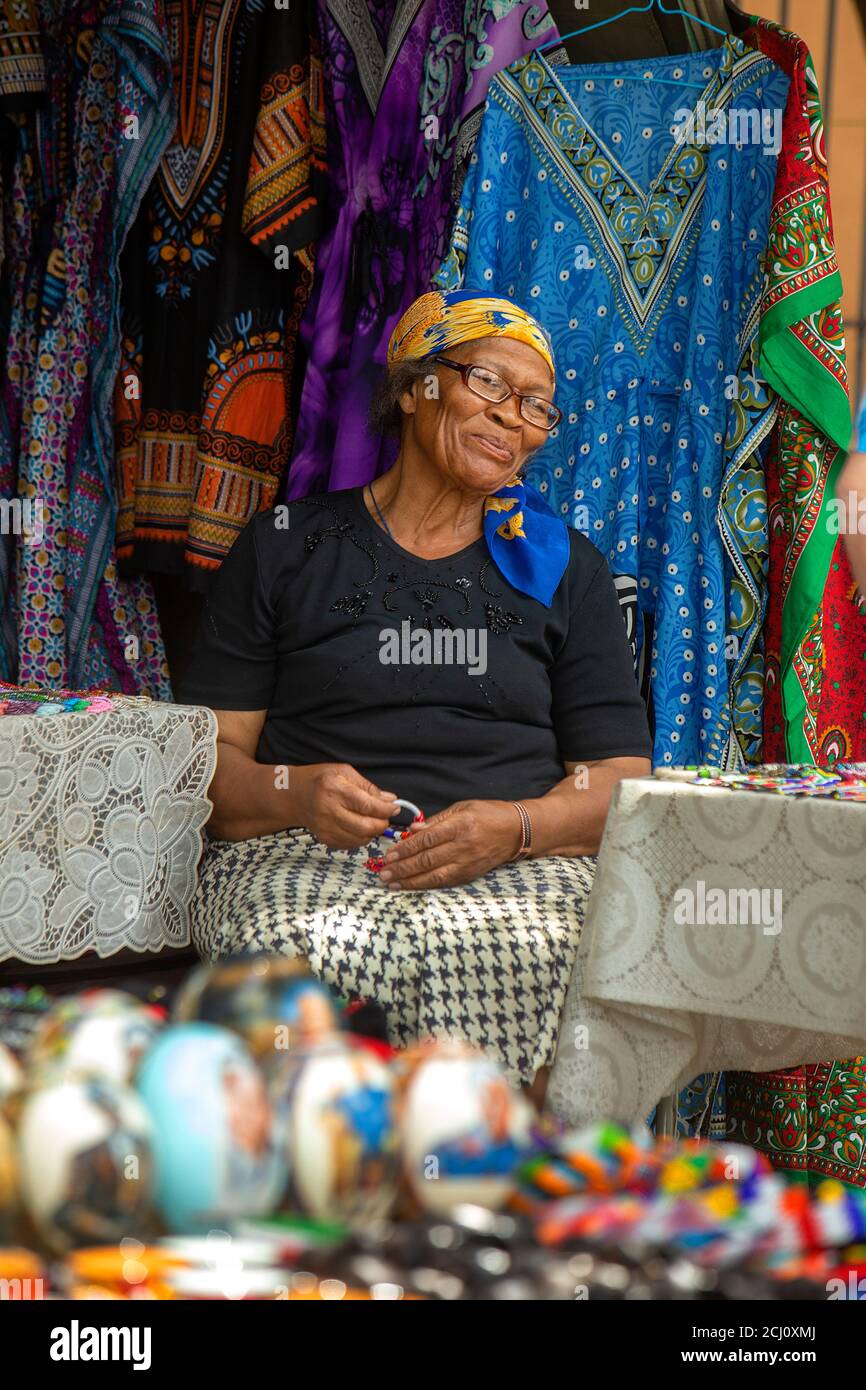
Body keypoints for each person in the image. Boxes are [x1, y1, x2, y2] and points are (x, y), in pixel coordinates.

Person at [180, 289, 652, 1093]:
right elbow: (208, 765)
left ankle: (498, 1196)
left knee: (531, 949)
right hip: (302, 853)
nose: (514, 419)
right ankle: (313, 1189)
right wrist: (296, 794)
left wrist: (518, 826)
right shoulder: (287, 546)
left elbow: (619, 781)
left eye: (537, 406)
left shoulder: (566, 568)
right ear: (412, 387)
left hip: (517, 863)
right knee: (295, 953)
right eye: (491, 384)